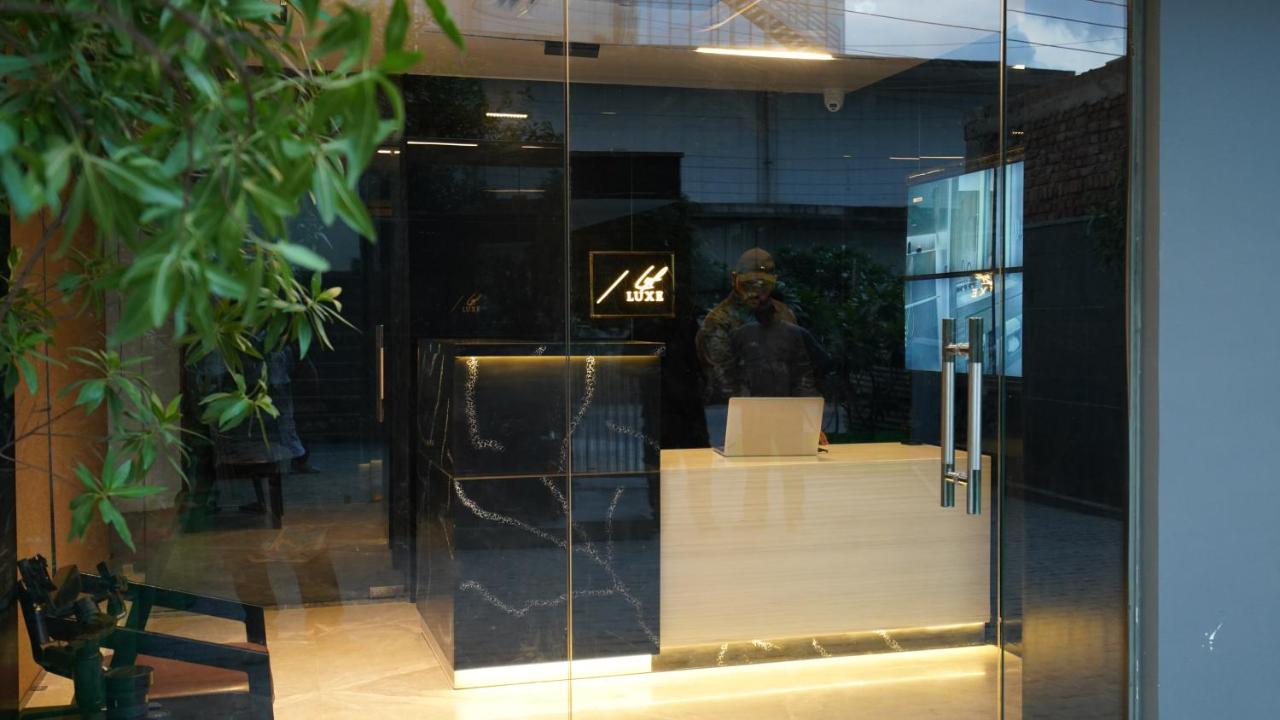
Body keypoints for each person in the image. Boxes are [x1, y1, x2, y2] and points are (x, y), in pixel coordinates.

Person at [696, 247, 816, 400]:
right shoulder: (719, 321)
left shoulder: (783, 313)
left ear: (774, 281)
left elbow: (801, 369)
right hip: (743, 406)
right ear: (734, 279)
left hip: (783, 405)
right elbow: (724, 379)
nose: (757, 292)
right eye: (749, 284)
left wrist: (804, 402)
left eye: (764, 285)